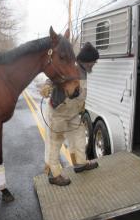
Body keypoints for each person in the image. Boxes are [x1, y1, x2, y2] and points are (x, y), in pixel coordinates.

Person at [40, 42, 99, 186]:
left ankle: (80, 163)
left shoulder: (84, 71)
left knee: (79, 134)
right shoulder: (71, 67)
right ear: (86, 60)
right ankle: (54, 174)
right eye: (93, 62)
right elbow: (52, 77)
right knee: (56, 142)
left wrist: (81, 103)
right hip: (59, 111)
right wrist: (47, 85)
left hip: (72, 113)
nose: (94, 64)